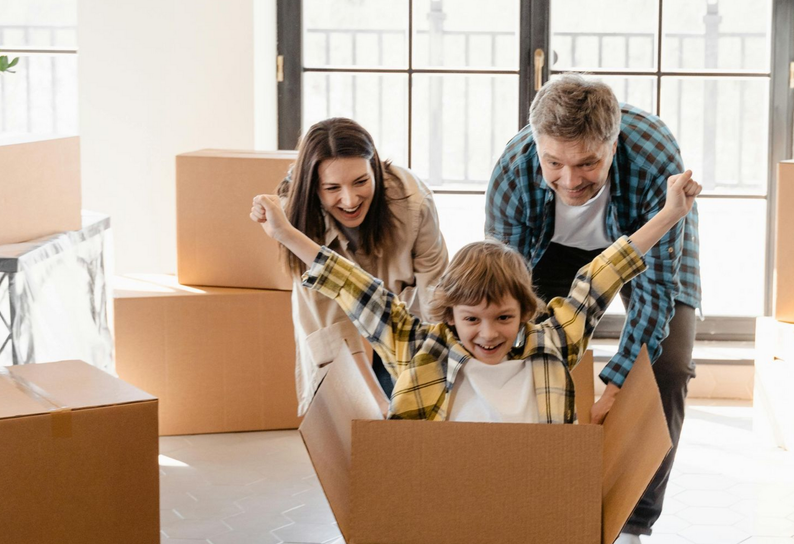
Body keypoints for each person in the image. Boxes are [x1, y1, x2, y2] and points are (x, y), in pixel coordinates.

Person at [251, 171, 700, 423]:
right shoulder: (421, 350)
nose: (488, 334)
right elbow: (352, 284)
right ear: (449, 317)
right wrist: (286, 233)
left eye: (504, 318)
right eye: (472, 320)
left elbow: (602, 275)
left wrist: (669, 214)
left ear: (527, 312)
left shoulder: (553, 342)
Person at [485, 74, 701, 542]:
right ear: (536, 145)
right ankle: (541, 497)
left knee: (668, 367)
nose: (569, 180)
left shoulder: (653, 159)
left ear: (614, 143)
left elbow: (658, 287)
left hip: (643, 241)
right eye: (553, 163)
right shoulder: (513, 171)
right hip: (551, 249)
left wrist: (617, 382)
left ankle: (634, 523)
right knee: (525, 356)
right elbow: (505, 290)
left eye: (587, 163)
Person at [272, 117, 448, 415]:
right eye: (332, 188)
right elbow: (333, 325)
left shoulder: (414, 202)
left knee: (415, 402)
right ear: (314, 188)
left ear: (375, 169)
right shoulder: (295, 222)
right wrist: (376, 401)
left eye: (361, 181)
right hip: (335, 323)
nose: (350, 199)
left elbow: (436, 291)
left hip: (402, 314)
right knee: (357, 409)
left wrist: (437, 373)